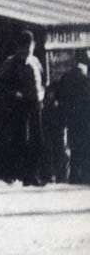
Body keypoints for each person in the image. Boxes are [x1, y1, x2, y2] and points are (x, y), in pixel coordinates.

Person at [0, 28, 46, 185]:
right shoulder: (10, 62)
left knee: (37, 140)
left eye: (30, 47)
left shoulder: (35, 61)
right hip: (20, 105)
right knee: (20, 140)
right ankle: (15, 173)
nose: (28, 51)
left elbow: (43, 79)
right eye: (25, 48)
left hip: (36, 105)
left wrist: (43, 93)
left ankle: (32, 175)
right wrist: (14, 94)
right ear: (20, 47)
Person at [56, 50, 90, 184]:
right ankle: (86, 177)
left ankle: (74, 178)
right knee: (86, 149)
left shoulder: (66, 77)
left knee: (74, 148)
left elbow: (58, 97)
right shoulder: (86, 79)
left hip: (71, 119)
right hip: (86, 119)